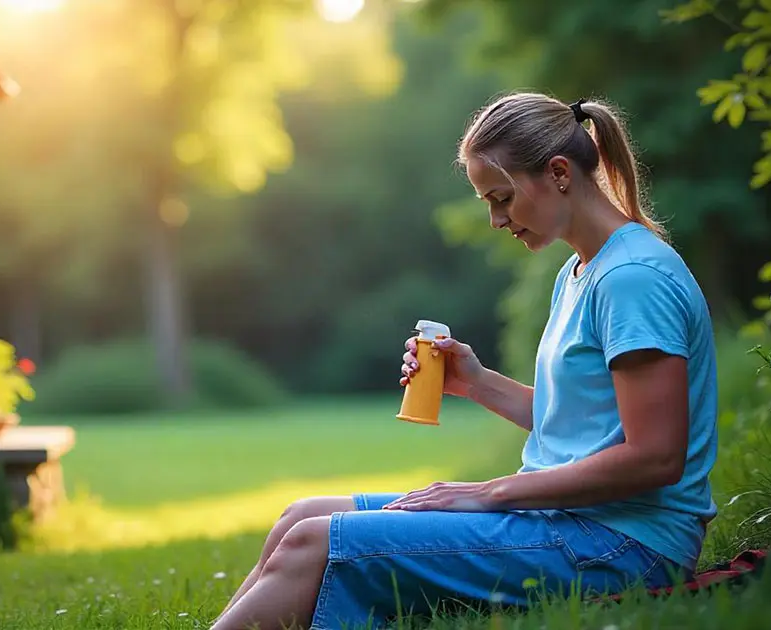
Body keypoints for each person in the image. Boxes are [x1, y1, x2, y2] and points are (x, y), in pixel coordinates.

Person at [209, 92, 720, 630]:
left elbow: (654, 458)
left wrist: (488, 493)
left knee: (317, 541)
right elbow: (581, 425)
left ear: (560, 173)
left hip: (622, 546)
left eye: (502, 198)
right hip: (573, 523)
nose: (497, 219)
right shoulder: (581, 272)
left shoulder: (632, 278)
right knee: (302, 516)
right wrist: (474, 382)